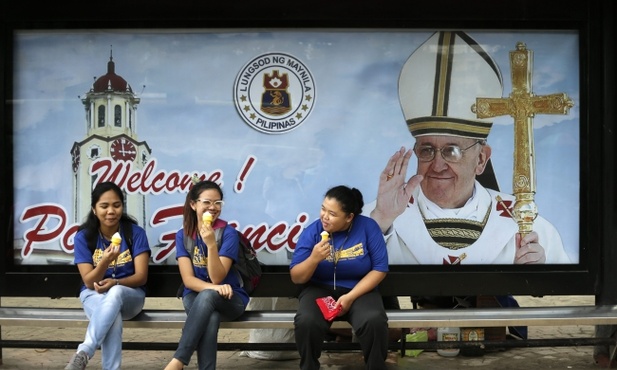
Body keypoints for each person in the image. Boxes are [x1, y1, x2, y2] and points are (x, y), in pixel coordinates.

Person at [366, 31, 570, 265]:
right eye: (427, 150)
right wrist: (381, 221)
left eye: (451, 151)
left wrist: (537, 277)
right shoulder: (377, 217)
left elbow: (566, 296)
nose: (438, 165)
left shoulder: (529, 227)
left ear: (481, 159)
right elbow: (336, 279)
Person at [290, 185, 390, 370]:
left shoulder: (368, 227)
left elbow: (380, 268)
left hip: (359, 289)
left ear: (349, 217)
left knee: (373, 320)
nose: (324, 217)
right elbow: (297, 277)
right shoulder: (313, 231)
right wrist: (313, 259)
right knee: (307, 321)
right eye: (323, 209)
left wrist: (350, 297)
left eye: (332, 214)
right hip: (319, 288)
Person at [65, 181, 151, 370]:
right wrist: (105, 261)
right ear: (94, 210)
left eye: (116, 205)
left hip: (131, 296)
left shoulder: (135, 234)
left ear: (122, 206)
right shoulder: (84, 237)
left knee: (117, 292)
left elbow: (141, 277)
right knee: (113, 315)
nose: (111, 211)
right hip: (93, 295)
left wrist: (116, 282)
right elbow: (88, 281)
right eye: (104, 206)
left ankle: (85, 351)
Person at [165, 180, 249, 370]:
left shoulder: (228, 234)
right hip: (195, 295)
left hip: (231, 298)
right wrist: (214, 288)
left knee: (209, 296)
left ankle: (178, 360)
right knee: (210, 314)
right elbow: (188, 280)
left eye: (218, 203)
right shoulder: (183, 235)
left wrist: (211, 244)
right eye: (207, 202)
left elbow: (218, 277)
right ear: (193, 204)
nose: (213, 207)